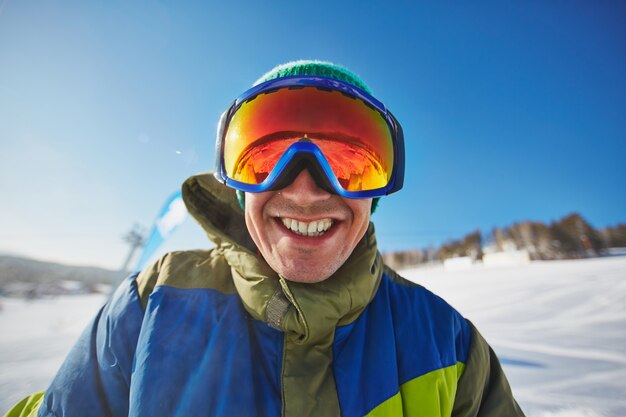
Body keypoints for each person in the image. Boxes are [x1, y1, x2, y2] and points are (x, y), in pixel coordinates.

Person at [5, 60, 525, 417]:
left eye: (347, 161)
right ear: (235, 186)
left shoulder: (448, 346)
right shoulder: (150, 308)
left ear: (376, 193)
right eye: (264, 155)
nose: (303, 188)